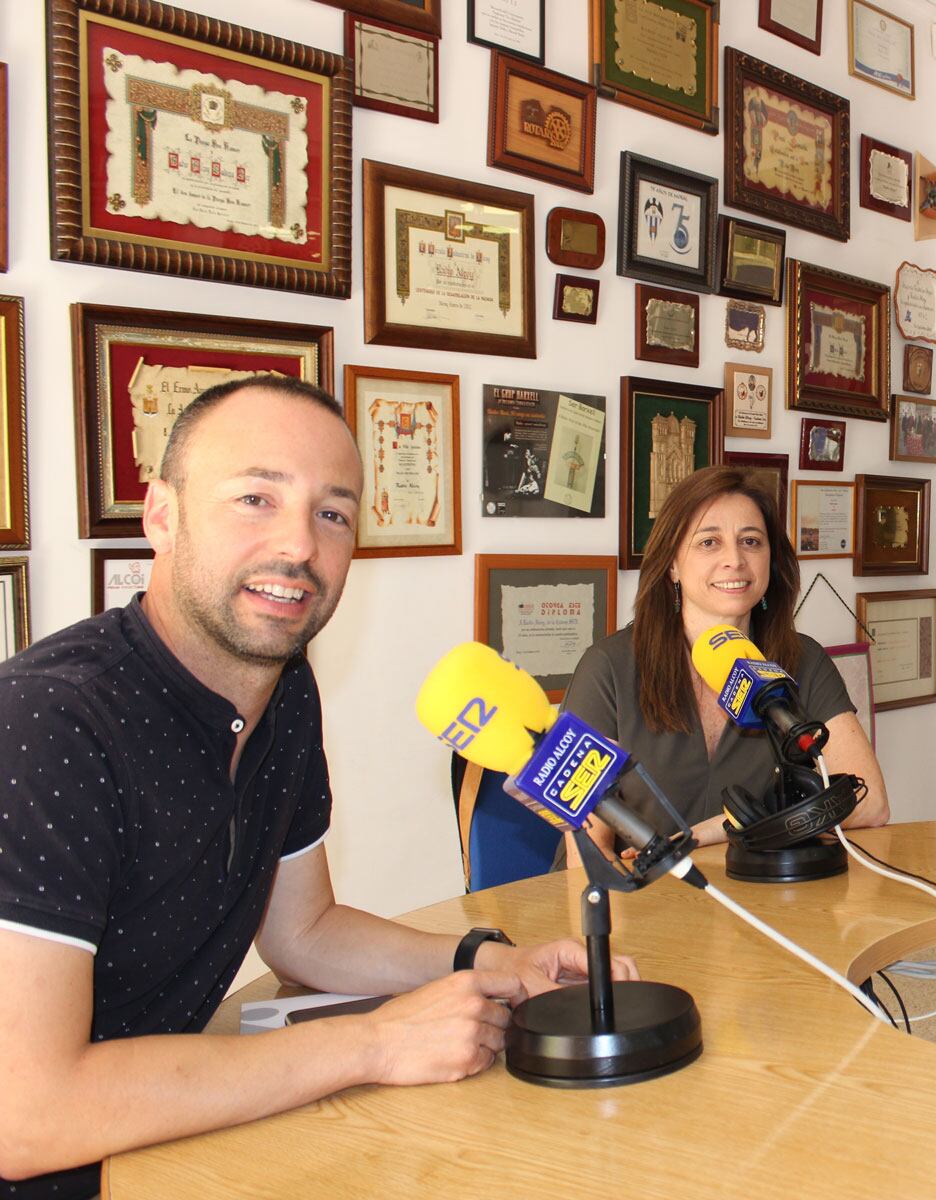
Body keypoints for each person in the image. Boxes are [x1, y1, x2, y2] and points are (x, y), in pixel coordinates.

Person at [0, 377, 635, 1200]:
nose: (299, 546)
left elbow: (303, 932)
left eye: (332, 513)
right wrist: (373, 1044)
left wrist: (490, 964)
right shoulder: (48, 723)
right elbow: (26, 1113)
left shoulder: (284, 688)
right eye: (256, 498)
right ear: (161, 515)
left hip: (158, 1146)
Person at [561, 466, 888, 862]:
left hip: (754, 897)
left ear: (772, 559)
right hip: (630, 901)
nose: (734, 560)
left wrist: (712, 832)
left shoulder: (803, 661)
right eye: (709, 542)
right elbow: (586, 851)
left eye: (751, 541)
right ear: (672, 565)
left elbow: (867, 803)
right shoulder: (607, 668)